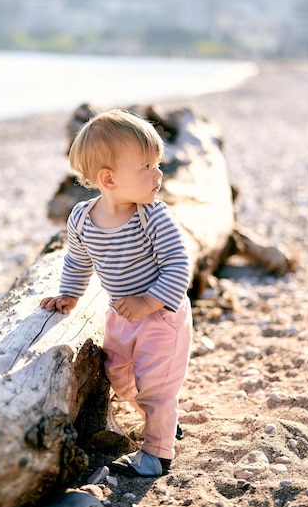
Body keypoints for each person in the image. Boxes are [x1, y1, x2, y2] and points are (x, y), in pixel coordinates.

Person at [40, 108, 193, 477]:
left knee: (156, 385)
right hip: (121, 315)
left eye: (158, 164)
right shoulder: (81, 217)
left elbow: (178, 264)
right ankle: (164, 421)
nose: (158, 174)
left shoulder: (151, 215)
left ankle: (157, 454)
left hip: (161, 316)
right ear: (108, 179)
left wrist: (149, 301)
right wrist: (69, 294)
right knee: (119, 375)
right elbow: (78, 261)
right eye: (146, 167)